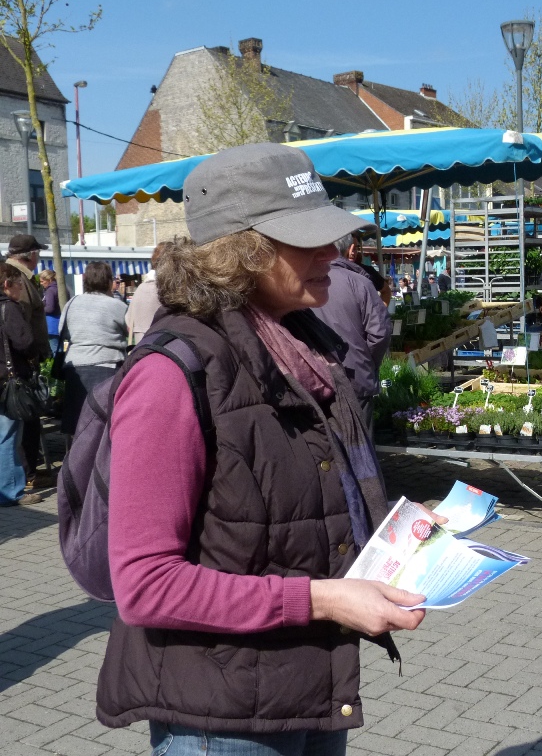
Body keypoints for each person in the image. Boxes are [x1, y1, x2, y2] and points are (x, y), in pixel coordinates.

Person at [97, 143, 433, 755]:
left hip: (308, 687)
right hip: (221, 718)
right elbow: (145, 584)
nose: (333, 251)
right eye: (307, 239)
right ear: (241, 253)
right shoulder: (174, 373)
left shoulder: (302, 347)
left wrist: (399, 535)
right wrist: (323, 599)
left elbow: (304, 505)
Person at [313, 234, 393, 429]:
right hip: (356, 377)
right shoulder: (360, 282)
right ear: (350, 249)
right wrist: (367, 361)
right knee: (359, 440)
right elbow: (380, 333)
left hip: (315, 376)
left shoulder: (305, 281)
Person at [59, 262, 128, 438]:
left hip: (75, 367)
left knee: (78, 424)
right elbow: (129, 331)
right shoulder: (117, 306)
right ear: (108, 281)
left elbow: (62, 331)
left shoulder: (72, 303)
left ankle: (76, 454)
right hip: (107, 366)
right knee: (102, 423)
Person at [5, 234, 52, 489]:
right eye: (38, 253)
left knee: (26, 420)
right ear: (31, 255)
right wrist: (31, 354)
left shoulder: (22, 275)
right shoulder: (16, 278)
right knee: (24, 417)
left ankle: (28, 472)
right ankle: (26, 476)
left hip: (20, 359)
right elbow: (18, 323)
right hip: (18, 362)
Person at [0, 263, 44, 506]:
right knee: (8, 437)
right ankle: (10, 491)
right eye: (18, 284)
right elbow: (25, 342)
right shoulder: (8, 308)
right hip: (7, 381)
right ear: (7, 284)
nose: (20, 289)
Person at [125, 241, 167, 345]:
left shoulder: (141, 289)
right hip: (164, 348)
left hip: (142, 349)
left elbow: (129, 324)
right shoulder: (167, 291)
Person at [39, 269, 61, 354]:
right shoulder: (61, 288)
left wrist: (39, 310)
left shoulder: (50, 291)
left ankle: (59, 363)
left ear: (49, 280)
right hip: (61, 323)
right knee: (63, 348)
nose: (41, 284)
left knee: (55, 349)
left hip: (52, 324)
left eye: (42, 281)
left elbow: (49, 308)